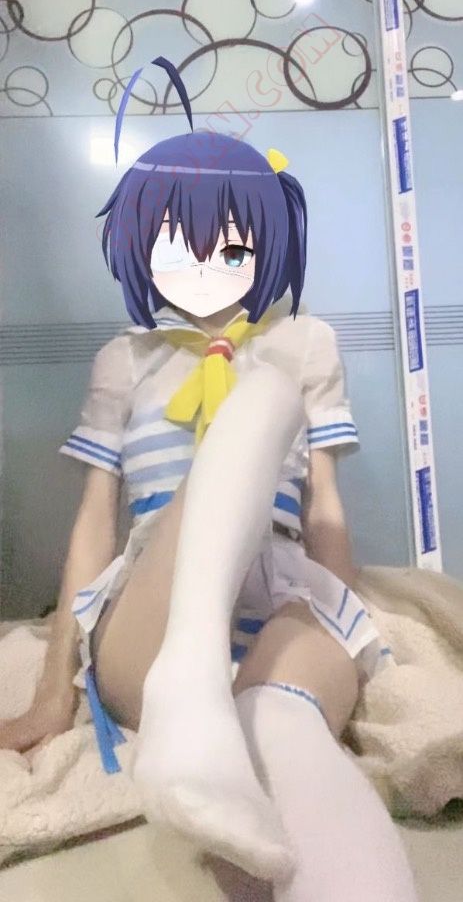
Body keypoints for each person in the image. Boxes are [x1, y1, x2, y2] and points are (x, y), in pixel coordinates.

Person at [0, 57, 419, 901]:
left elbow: (324, 509)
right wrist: (52, 694)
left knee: (284, 729)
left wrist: (339, 619)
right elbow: (95, 523)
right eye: (173, 244)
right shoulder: (125, 361)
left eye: (230, 246)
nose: (202, 266)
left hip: (278, 580)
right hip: (156, 603)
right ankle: (187, 677)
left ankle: (210, 728)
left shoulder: (303, 343)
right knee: (261, 400)